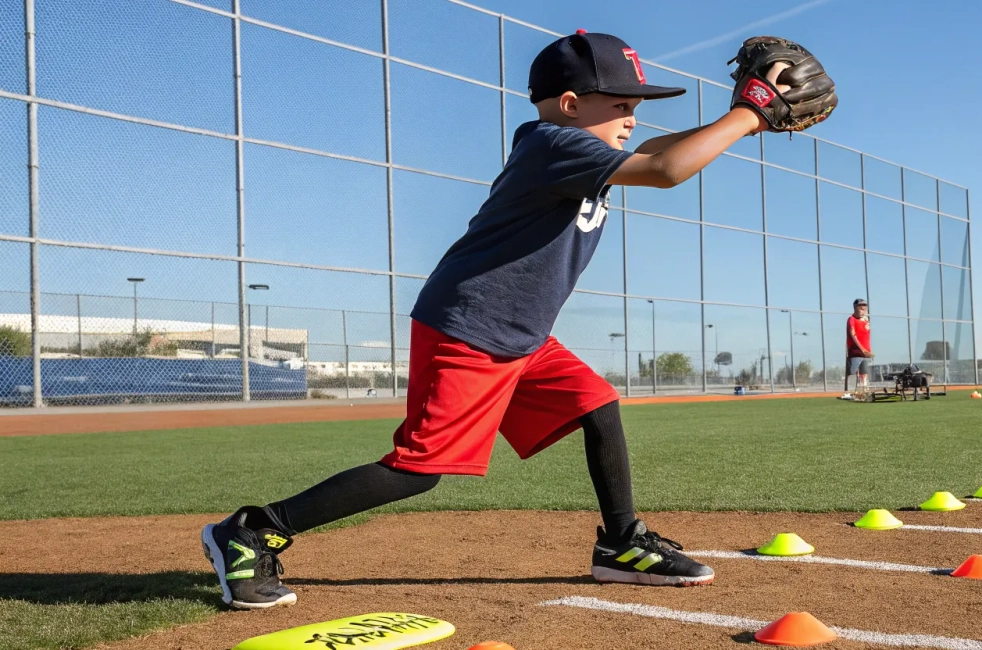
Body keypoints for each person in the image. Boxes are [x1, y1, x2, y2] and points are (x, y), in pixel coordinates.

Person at [200, 31, 836, 609]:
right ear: (569, 104)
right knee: (420, 468)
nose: (632, 115)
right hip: (470, 327)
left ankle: (621, 542)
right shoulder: (553, 145)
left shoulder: (576, 146)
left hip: (521, 335)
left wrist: (738, 122)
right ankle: (254, 530)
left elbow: (656, 150)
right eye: (620, 103)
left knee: (597, 405)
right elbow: (667, 169)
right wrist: (750, 112)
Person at [839, 298, 872, 400]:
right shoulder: (851, 319)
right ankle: (849, 393)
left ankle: (863, 392)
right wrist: (862, 349)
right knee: (853, 372)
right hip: (855, 351)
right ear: (855, 307)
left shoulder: (866, 320)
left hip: (866, 352)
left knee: (864, 372)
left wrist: (867, 350)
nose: (863, 308)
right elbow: (853, 335)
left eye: (865, 306)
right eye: (860, 306)